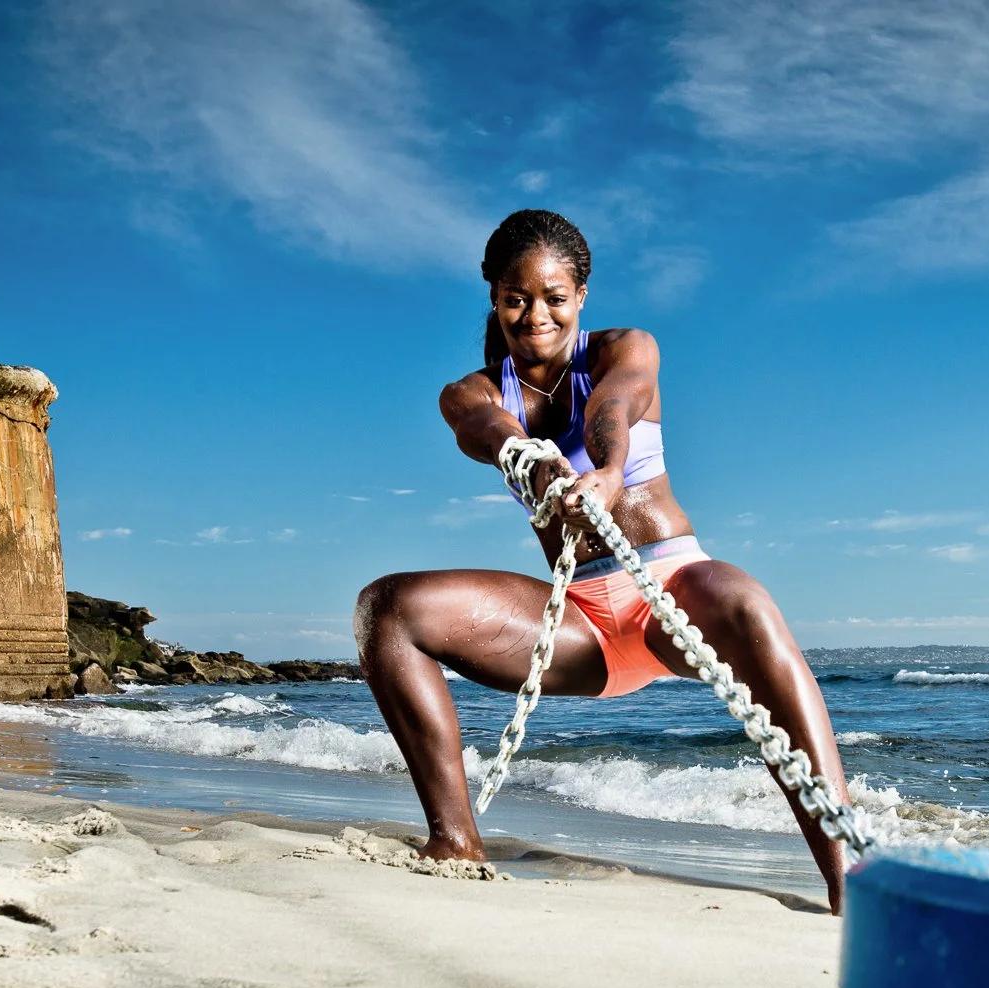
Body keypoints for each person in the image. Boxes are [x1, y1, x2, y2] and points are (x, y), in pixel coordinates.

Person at [354, 209, 854, 910]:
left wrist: (610, 473)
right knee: (388, 608)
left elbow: (611, 409)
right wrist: (534, 471)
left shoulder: (625, 349)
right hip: (578, 623)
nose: (535, 317)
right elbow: (489, 429)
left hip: (675, 590)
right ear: (493, 295)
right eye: (516, 298)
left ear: (581, 296)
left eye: (554, 298)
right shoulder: (470, 392)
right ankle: (455, 840)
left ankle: (845, 873)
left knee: (747, 602)